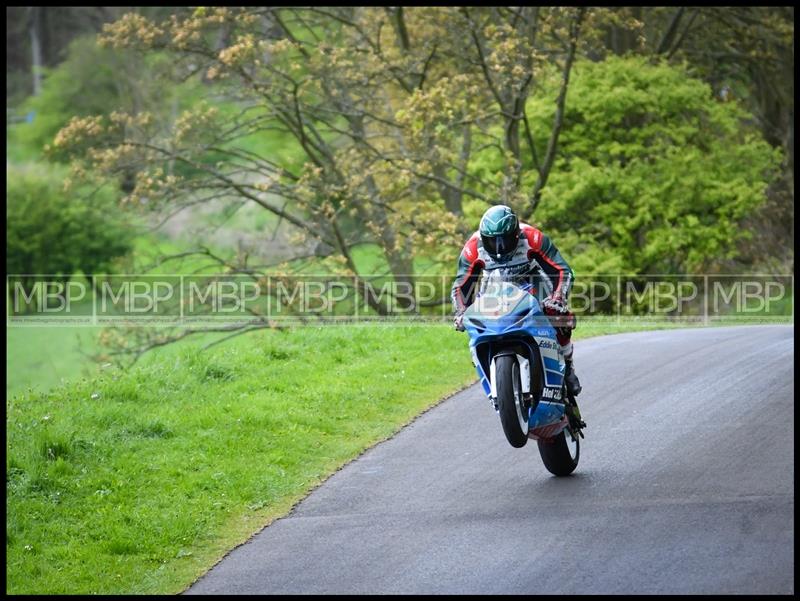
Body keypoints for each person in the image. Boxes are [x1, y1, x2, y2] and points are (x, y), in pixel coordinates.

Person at [451, 204, 582, 398]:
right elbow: (460, 286)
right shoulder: (473, 248)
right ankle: (491, 372)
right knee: (474, 323)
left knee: (558, 315)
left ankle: (568, 365)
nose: (499, 248)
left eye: (504, 241)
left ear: (516, 234)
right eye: (492, 241)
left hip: (531, 280)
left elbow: (562, 270)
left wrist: (557, 298)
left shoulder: (533, 238)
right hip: (494, 285)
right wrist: (462, 312)